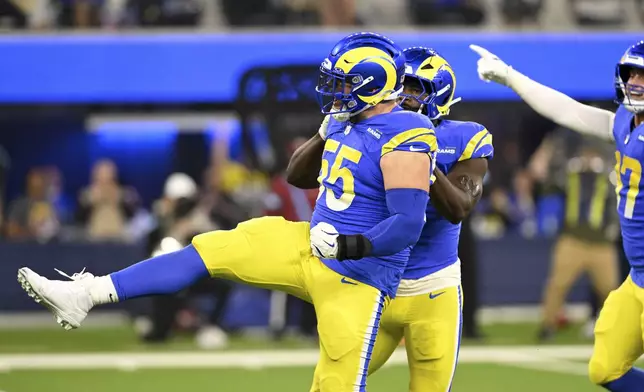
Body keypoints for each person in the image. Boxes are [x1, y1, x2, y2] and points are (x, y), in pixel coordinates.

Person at [17, 32, 437, 392]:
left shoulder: (406, 135)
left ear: (371, 85)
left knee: (334, 384)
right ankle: (86, 294)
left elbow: (407, 224)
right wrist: (323, 132)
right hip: (307, 245)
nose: (332, 92)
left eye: (342, 84)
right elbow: (296, 176)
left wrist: (348, 245)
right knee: (210, 249)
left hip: (357, 278)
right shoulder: (348, 120)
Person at [288, 46, 492, 392]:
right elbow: (299, 176)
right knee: (332, 383)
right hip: (373, 280)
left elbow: (458, 208)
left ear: (438, 92)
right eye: (401, 86)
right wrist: (326, 132)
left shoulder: (464, 137)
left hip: (431, 285)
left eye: (415, 88)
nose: (404, 96)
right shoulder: (368, 127)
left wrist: (418, 157)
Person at [471, 40, 644, 391]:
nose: (637, 83)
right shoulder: (626, 121)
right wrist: (510, 78)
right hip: (637, 278)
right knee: (606, 370)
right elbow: (569, 111)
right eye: (632, 74)